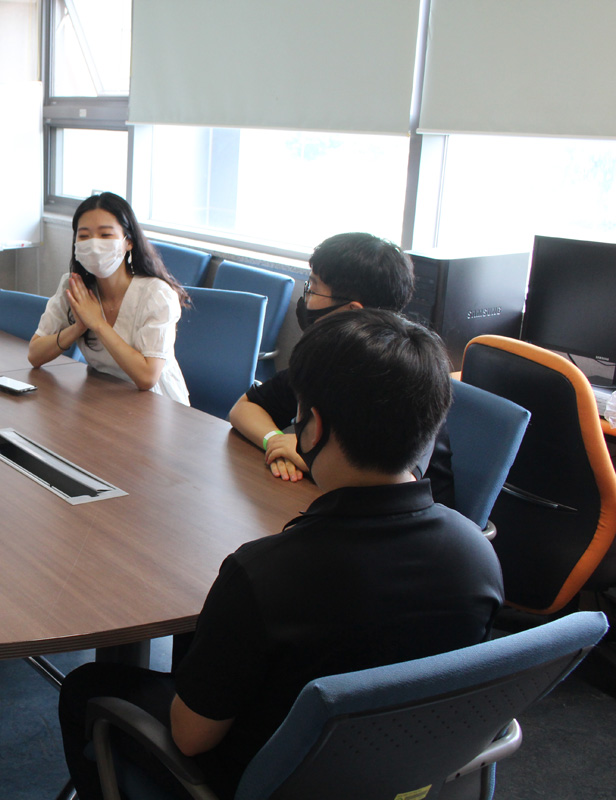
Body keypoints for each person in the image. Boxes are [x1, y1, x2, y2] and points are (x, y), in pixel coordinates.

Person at [58, 308, 504, 800]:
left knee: (87, 688)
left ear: (312, 427)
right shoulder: (478, 558)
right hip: (404, 776)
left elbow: (190, 736)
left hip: (269, 782)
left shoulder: (263, 574)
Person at [227, 232, 452, 503]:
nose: (306, 298)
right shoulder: (327, 359)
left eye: (313, 289)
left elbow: (395, 481)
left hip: (404, 520)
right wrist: (274, 440)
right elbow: (245, 408)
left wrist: (305, 455)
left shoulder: (409, 375)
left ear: (351, 310)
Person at [28, 192, 191, 405]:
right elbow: (35, 355)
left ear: (128, 242)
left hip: (158, 403)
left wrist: (97, 323)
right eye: (84, 236)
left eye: (105, 235)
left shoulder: (156, 294)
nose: (94, 245)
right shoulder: (74, 286)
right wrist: (78, 327)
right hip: (106, 398)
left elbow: (147, 377)